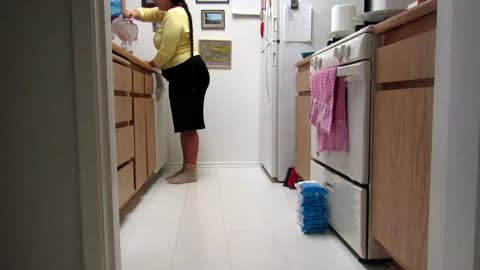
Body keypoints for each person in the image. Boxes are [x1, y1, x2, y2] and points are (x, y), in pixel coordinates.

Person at [124, 0, 210, 184]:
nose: (154, 0)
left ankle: (191, 172)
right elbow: (151, 13)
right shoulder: (169, 11)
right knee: (184, 124)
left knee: (188, 125)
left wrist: (152, 63)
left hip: (189, 73)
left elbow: (167, 49)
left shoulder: (175, 14)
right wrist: (134, 13)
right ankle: (187, 168)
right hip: (185, 74)